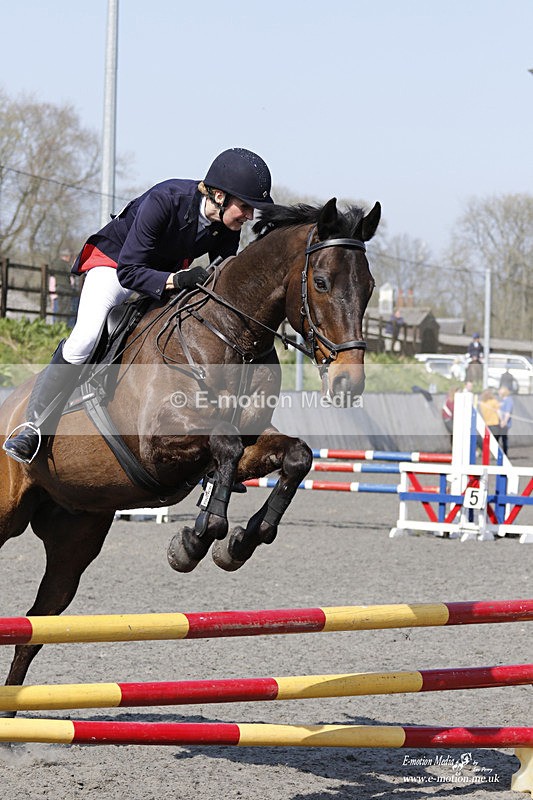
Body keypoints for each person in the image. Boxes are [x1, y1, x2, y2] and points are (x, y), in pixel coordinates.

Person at [3, 148, 273, 464]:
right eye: (245, 207)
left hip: (162, 276)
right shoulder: (165, 199)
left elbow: (223, 278)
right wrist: (179, 280)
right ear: (218, 196)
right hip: (116, 267)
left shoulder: (227, 227)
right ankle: (32, 427)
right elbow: (129, 271)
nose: (250, 216)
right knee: (85, 339)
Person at [495, 386, 514, 455]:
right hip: (500, 422)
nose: (499, 392)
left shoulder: (508, 400)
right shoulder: (502, 401)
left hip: (504, 423)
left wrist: (504, 421)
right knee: (498, 438)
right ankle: (499, 453)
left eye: (500, 391)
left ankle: (505, 454)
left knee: (503, 439)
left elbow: (507, 412)